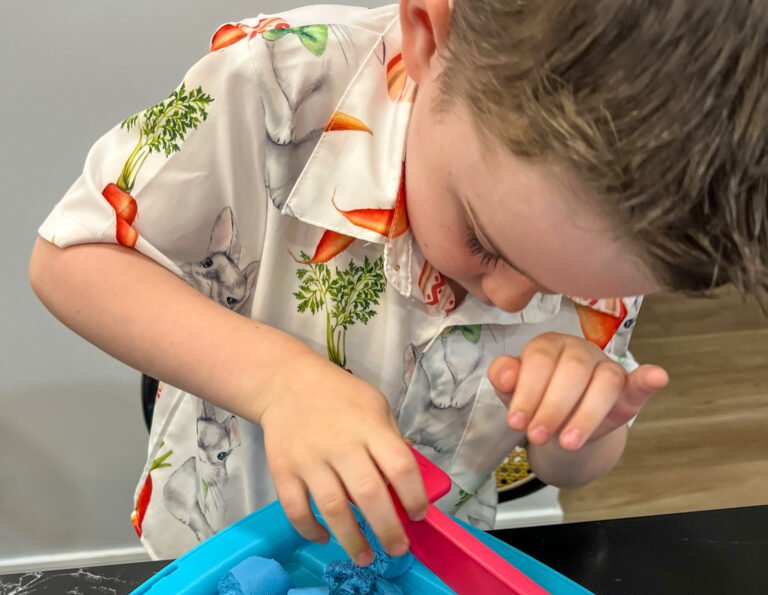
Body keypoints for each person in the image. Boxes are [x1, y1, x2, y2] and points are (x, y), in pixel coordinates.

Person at [29, 1, 767, 563]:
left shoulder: (640, 212)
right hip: (218, 546)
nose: (512, 301)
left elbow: (567, 468)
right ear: (426, 36)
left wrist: (579, 422)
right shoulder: (277, 86)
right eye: (485, 241)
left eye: (565, 291)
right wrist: (279, 383)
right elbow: (68, 260)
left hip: (428, 576)